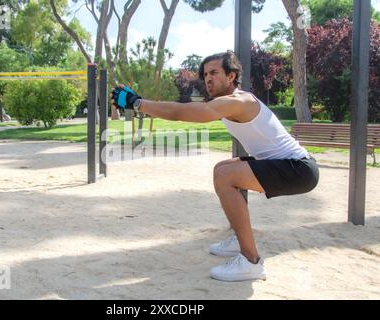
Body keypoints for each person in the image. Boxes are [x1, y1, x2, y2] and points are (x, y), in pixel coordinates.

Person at [111, 50, 319, 282]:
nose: (208, 79)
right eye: (205, 74)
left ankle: (251, 262)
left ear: (231, 76)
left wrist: (137, 103)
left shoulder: (239, 101)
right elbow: (184, 109)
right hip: (285, 164)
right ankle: (239, 238)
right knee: (222, 169)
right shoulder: (225, 102)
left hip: (299, 169)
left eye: (214, 73)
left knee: (226, 176)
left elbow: (180, 112)